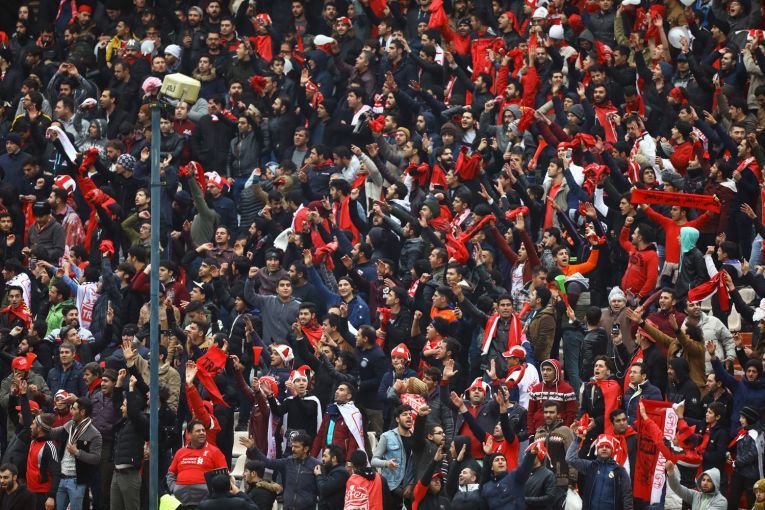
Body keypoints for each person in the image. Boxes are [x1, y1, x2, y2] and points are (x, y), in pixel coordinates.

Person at [49, 398, 102, 510]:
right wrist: (40, 421)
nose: (70, 411)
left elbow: (96, 458)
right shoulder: (70, 425)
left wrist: (77, 452)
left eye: (73, 409)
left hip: (77, 482)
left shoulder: (95, 434)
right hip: (61, 478)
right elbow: (52, 433)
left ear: (82, 412)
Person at [166, 420, 229, 508]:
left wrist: (212, 491)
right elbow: (171, 474)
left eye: (203, 430)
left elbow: (224, 474)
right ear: (189, 434)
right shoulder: (180, 452)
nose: (202, 433)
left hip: (206, 500)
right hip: (181, 499)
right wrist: (174, 489)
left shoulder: (214, 451)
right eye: (198, 431)